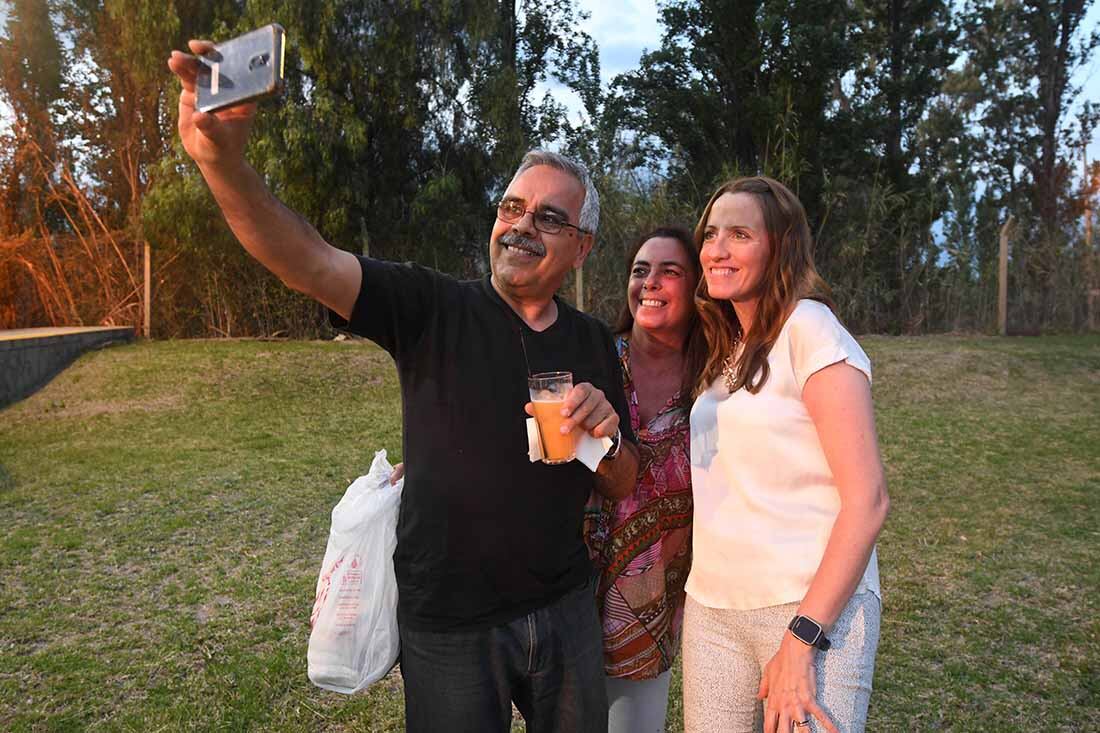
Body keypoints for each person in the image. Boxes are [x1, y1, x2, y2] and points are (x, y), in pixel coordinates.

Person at [168, 40, 639, 733]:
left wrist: (611, 434)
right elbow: (308, 260)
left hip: (564, 606)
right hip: (450, 623)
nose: (520, 226)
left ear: (583, 245)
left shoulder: (594, 339)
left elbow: (622, 481)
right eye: (512, 207)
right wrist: (223, 162)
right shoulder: (431, 307)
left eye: (548, 217)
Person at [681, 177, 890, 733]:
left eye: (740, 234)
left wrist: (802, 637)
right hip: (713, 610)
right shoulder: (728, 348)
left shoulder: (810, 328)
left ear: (780, 248)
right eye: (711, 234)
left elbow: (867, 500)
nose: (717, 249)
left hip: (810, 608)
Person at [583, 227, 704, 733]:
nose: (650, 282)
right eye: (640, 270)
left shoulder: (717, 378)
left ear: (698, 287)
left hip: (654, 604)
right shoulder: (594, 358)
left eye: (669, 271)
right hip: (570, 586)